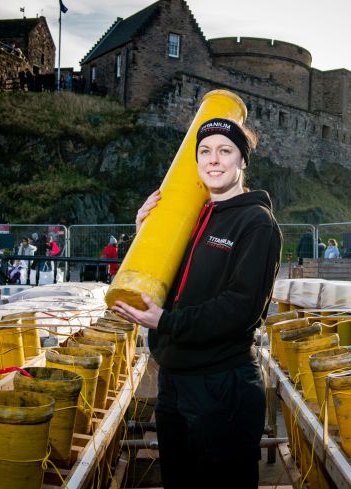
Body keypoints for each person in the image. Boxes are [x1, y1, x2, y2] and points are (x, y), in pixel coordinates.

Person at [111, 117, 281, 489]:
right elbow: (165, 283)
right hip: (174, 383)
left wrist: (166, 322)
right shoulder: (189, 220)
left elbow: (240, 308)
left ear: (242, 162)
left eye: (225, 151)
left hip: (223, 386)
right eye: (205, 151)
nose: (214, 160)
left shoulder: (257, 223)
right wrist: (146, 237)